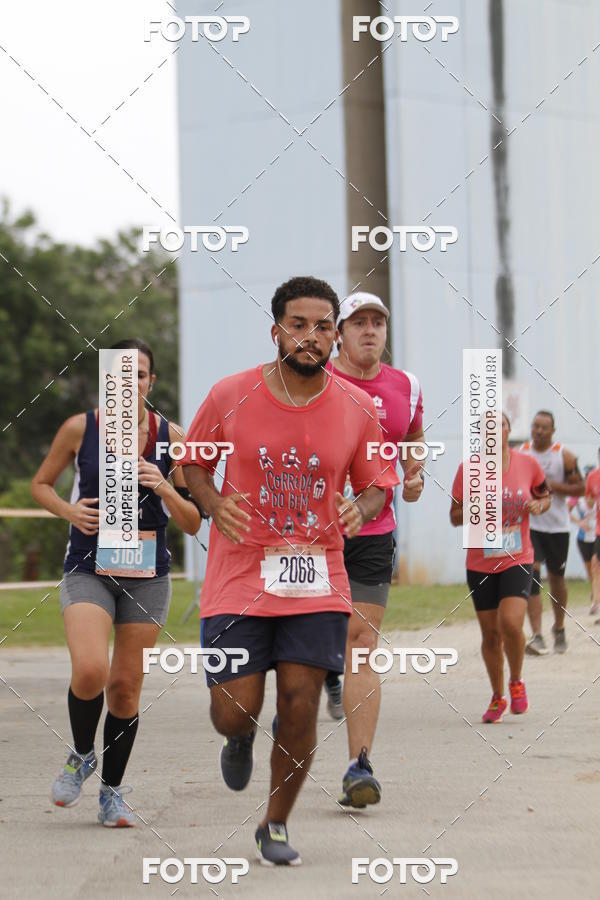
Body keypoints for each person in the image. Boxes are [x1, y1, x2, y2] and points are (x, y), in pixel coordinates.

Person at [180, 276, 399, 866]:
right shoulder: (231, 394)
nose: (311, 336)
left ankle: (274, 823)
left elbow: (379, 482)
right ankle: (242, 735)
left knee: (301, 703)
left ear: (335, 335)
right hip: (239, 577)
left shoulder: (356, 406)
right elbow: (194, 461)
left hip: (317, 576)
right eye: (298, 325)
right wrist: (211, 501)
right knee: (232, 709)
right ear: (275, 329)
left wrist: (364, 506)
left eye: (323, 326)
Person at [31, 339, 201, 826]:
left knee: (124, 689)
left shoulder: (175, 438)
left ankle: (112, 792)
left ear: (152, 383)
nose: (130, 384)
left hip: (148, 576)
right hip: (89, 567)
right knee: (90, 671)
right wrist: (68, 509)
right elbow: (41, 484)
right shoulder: (80, 428)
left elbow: (193, 522)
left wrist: (164, 484)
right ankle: (83, 754)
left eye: (140, 375)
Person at [323, 291, 424, 809]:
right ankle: (315, 678)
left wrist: (414, 473)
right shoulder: (317, 377)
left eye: (377, 322)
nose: (369, 331)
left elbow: (413, 439)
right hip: (310, 533)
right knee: (310, 643)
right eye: (358, 322)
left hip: (373, 530)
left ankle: (358, 766)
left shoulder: (405, 385)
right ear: (338, 332)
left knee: (361, 643)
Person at [450, 413, 550, 722]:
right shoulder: (468, 469)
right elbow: (454, 516)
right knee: (491, 634)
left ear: (508, 430)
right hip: (480, 563)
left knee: (510, 622)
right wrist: (472, 507)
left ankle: (516, 681)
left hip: (517, 557)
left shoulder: (528, 464)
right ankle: (498, 696)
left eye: (500, 425)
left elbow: (544, 495)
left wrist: (539, 505)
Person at [520, 411, 585, 654]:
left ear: (553, 430)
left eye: (544, 427)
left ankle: (558, 627)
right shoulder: (522, 453)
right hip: (531, 524)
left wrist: (550, 486)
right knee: (531, 575)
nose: (538, 431)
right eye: (535, 426)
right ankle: (536, 634)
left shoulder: (563, 455)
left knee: (556, 578)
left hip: (557, 527)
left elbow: (580, 488)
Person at [568, 465, 596, 612]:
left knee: (595, 566)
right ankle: (594, 595)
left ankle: (595, 599)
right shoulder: (577, 496)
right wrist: (579, 522)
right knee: (590, 570)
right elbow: (566, 511)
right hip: (583, 538)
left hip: (597, 536)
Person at [584, 453, 600, 620]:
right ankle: (596, 601)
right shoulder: (593, 477)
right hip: (599, 530)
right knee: (595, 565)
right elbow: (589, 500)